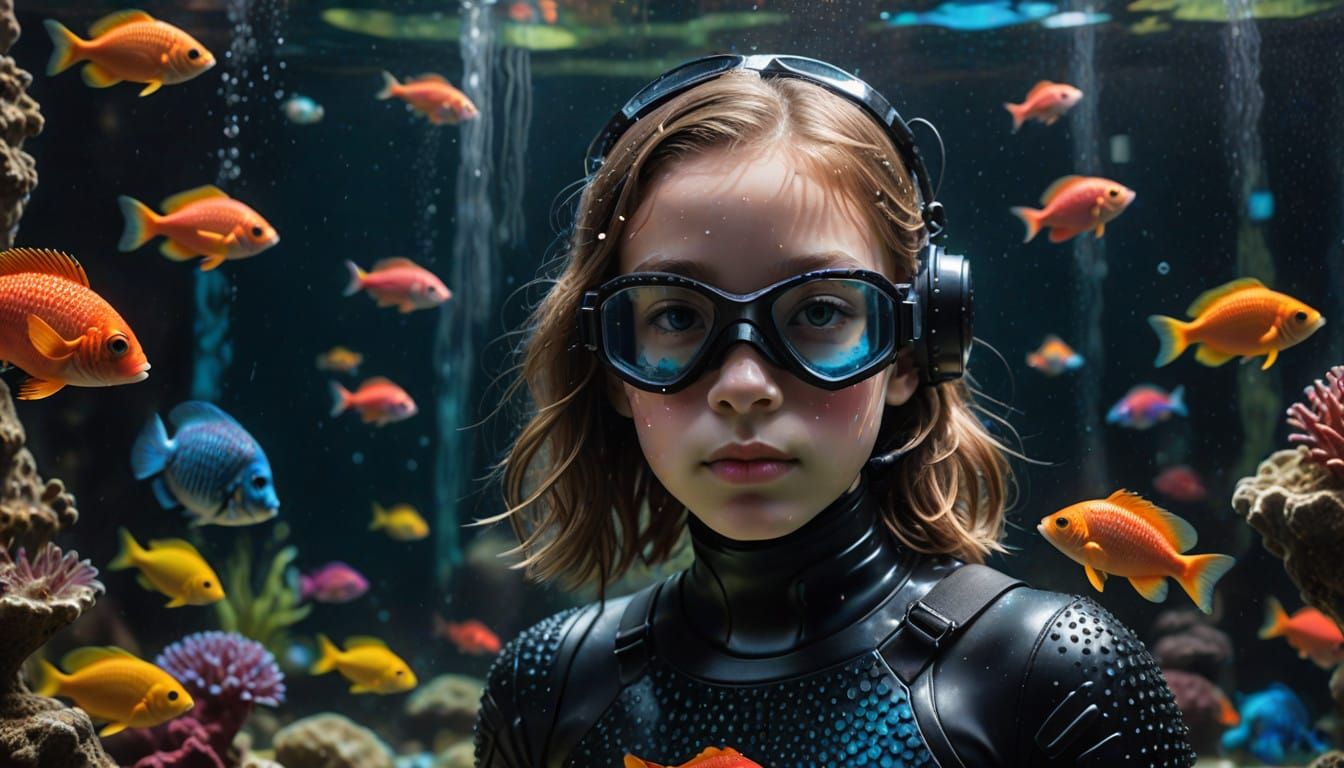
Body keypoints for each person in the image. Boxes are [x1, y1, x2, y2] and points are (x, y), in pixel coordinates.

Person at [472, 54, 1194, 768]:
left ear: (913, 350)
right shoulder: (543, 684)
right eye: (677, 316)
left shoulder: (1055, 674)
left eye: (818, 309)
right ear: (609, 366)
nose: (745, 383)